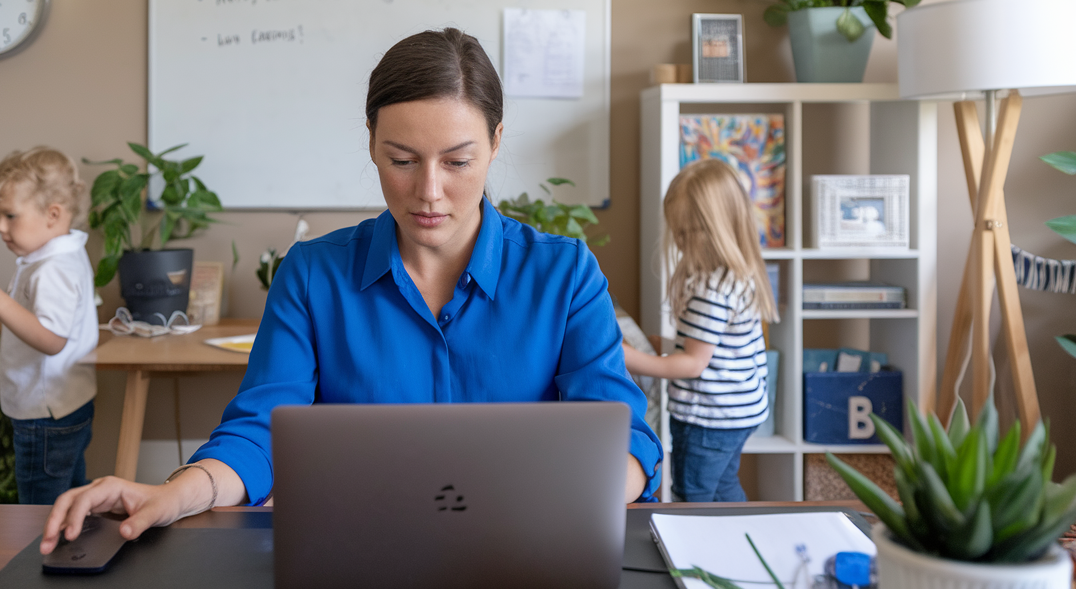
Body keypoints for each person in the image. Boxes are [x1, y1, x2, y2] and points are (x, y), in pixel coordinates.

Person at [39, 28, 661, 552]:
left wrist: (559, 505)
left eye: (457, 161)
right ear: (370, 141)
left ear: (496, 143)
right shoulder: (312, 275)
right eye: (402, 159)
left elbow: (627, 437)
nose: (429, 191)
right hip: (358, 558)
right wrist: (175, 492)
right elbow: (260, 432)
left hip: (527, 555)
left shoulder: (565, 274)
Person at [622, 158, 778, 502]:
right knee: (723, 487)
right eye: (677, 232)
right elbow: (712, 345)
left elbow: (692, 364)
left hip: (709, 418)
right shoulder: (738, 274)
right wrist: (660, 343)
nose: (679, 242)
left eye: (687, 232)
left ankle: (699, 555)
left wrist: (628, 357)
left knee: (694, 497)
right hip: (740, 412)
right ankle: (740, 545)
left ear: (716, 229)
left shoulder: (711, 290)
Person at [0, 147, 99, 505]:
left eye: (10, 216)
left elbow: (51, 339)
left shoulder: (53, 269)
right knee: (70, 497)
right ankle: (73, 556)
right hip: (66, 403)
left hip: (44, 413)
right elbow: (39, 322)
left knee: (40, 509)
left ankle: (42, 560)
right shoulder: (58, 255)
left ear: (53, 215)